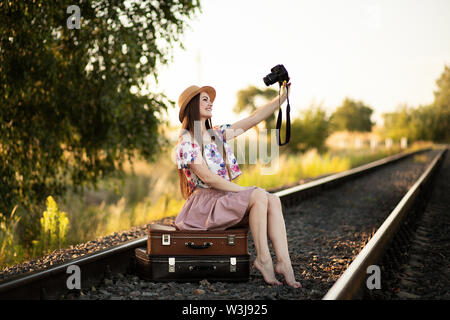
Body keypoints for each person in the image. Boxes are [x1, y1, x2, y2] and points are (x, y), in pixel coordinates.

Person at [174, 82, 301, 288]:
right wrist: (248, 191)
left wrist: (281, 98)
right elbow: (209, 179)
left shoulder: (216, 134)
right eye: (204, 99)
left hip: (222, 199)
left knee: (273, 199)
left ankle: (284, 263)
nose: (210, 103)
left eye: (210, 99)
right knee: (259, 195)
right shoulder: (187, 142)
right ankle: (263, 260)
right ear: (191, 106)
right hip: (204, 207)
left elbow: (253, 118)